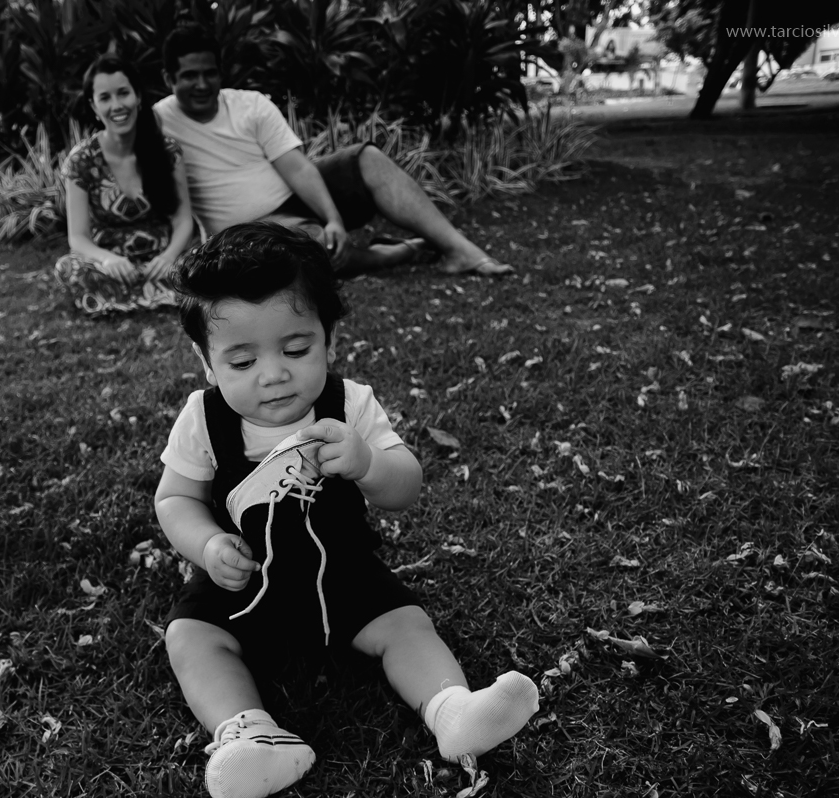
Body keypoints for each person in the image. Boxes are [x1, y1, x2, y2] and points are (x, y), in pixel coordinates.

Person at [154, 222, 539, 798]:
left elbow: (404, 487)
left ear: (328, 340)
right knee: (189, 637)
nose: (274, 373)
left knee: (406, 624)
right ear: (207, 362)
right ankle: (248, 734)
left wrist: (366, 463)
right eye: (241, 362)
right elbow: (175, 498)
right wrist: (206, 544)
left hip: (343, 571)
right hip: (244, 578)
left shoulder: (350, 404)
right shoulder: (203, 419)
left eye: (295, 348)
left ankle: (451, 711)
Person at [153, 25, 514, 278]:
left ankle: (459, 249)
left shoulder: (250, 105)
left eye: (209, 73)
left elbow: (297, 168)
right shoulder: (158, 122)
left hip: (296, 197)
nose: (201, 84)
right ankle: (395, 253)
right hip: (245, 232)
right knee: (305, 247)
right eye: (188, 76)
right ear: (170, 78)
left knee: (367, 158)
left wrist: (333, 218)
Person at [54, 55, 196, 316]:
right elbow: (78, 237)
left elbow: (183, 220)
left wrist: (168, 257)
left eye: (123, 93)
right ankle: (163, 296)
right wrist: (107, 259)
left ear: (138, 97)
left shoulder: (167, 151)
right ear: (94, 106)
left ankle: (119, 302)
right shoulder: (81, 161)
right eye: (105, 98)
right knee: (68, 268)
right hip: (114, 265)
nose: (117, 105)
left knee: (198, 263)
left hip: (162, 258)